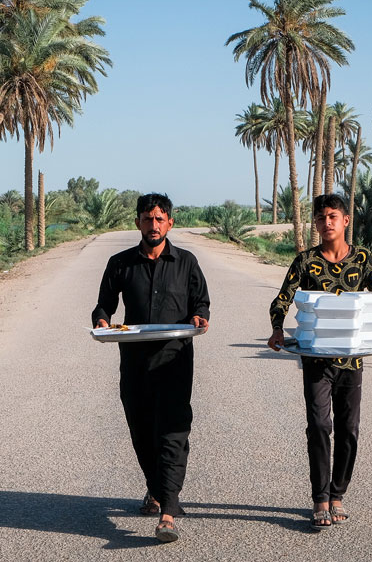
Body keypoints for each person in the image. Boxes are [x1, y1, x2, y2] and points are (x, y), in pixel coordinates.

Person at [267, 193, 372, 531]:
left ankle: (338, 494)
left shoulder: (363, 258)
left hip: (353, 360)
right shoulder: (305, 261)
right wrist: (276, 328)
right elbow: (283, 298)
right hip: (316, 359)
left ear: (345, 220)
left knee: (348, 429)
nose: (326, 222)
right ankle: (320, 498)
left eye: (332, 216)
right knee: (318, 426)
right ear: (315, 223)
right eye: (320, 217)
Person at [91, 192, 210, 543]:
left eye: (160, 219)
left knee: (173, 430)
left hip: (174, 359)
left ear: (170, 223)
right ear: (138, 222)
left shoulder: (187, 262)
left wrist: (200, 317)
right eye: (147, 218)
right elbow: (104, 306)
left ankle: (168, 512)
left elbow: (200, 302)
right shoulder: (120, 263)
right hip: (134, 361)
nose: (153, 225)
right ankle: (156, 488)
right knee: (142, 430)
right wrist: (100, 321)